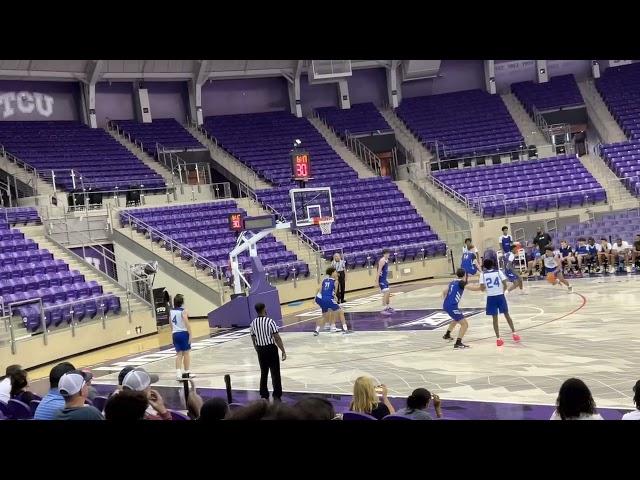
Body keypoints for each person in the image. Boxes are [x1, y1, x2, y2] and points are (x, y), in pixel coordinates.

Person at [249, 303, 286, 402]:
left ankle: (264, 394)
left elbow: (253, 339)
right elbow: (277, 338)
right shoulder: (270, 322)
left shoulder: (253, 323)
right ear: (264, 309)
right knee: (275, 372)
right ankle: (277, 394)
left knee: (264, 372)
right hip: (271, 349)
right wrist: (283, 350)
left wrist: (257, 349)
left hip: (260, 349)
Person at [479, 258, 520, 347]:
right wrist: (502, 290)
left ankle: (498, 339)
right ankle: (514, 333)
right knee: (507, 315)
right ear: (493, 264)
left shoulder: (482, 274)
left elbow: (482, 289)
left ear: (485, 266)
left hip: (491, 297)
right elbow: (505, 284)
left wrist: (487, 288)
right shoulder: (498, 272)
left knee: (495, 319)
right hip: (500, 296)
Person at [442, 267, 483, 349]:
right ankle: (458, 343)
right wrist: (481, 288)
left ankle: (447, 334)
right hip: (452, 306)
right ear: (465, 275)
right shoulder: (461, 283)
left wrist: (447, 301)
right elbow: (472, 288)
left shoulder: (453, 282)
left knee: (456, 318)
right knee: (464, 324)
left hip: (446, 305)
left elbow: (444, 292)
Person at [314, 267, 350, 334]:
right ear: (332, 273)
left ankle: (316, 330)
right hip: (329, 299)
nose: (336, 273)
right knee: (341, 312)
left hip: (322, 299)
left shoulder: (324, 280)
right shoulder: (335, 281)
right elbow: (334, 292)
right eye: (335, 272)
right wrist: (335, 297)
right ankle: (345, 329)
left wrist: (315, 299)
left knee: (324, 316)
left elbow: (320, 290)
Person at [170, 293, 194, 381]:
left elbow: (170, 323)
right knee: (186, 353)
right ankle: (187, 372)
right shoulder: (183, 311)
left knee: (179, 354)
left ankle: (178, 374)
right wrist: (190, 334)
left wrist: (173, 332)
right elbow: (186, 322)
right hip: (183, 333)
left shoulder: (171, 311)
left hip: (175, 334)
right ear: (182, 302)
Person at [377, 249, 394, 314]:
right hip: (381, 279)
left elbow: (385, 271)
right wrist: (376, 281)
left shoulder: (387, 260)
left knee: (388, 293)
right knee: (386, 293)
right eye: (387, 253)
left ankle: (388, 307)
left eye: (388, 253)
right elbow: (379, 271)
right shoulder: (382, 260)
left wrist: (386, 279)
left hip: (384, 279)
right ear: (384, 254)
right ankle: (383, 309)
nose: (388, 254)